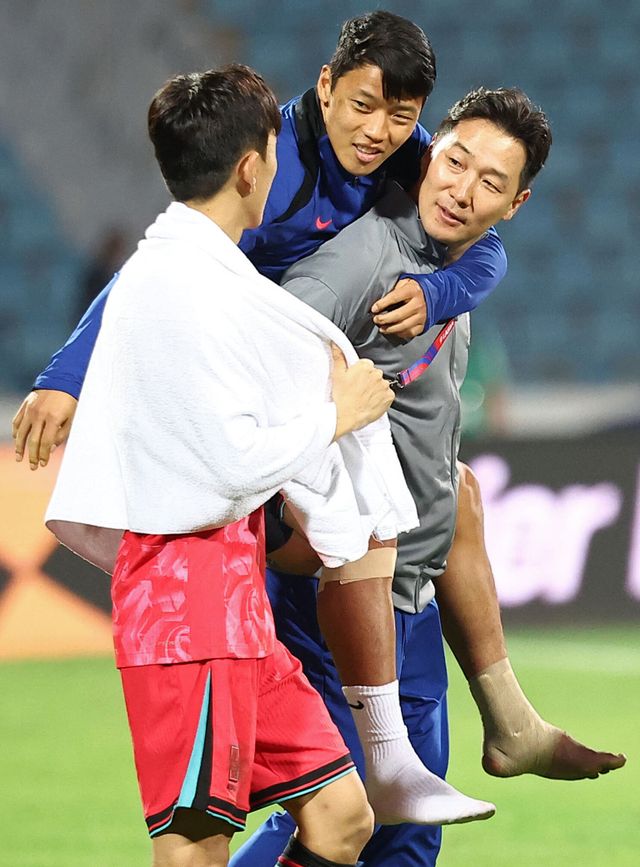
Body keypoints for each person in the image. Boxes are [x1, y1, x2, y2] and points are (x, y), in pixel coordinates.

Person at [12, 8, 619, 832]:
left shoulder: (415, 164)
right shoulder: (275, 169)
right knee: (290, 817)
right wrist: (66, 375)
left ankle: (495, 719)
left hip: (321, 469)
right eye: (363, 106)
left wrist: (439, 292)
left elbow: (487, 248)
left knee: (451, 501)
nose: (378, 133)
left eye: (401, 116)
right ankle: (415, 744)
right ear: (325, 87)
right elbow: (160, 262)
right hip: (253, 426)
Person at [230, 87, 626, 867]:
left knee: (405, 836)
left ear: (514, 204)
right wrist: (279, 517)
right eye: (454, 162)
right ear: (428, 155)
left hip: (407, 595)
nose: (462, 189)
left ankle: (510, 723)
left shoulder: (453, 264)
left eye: (490, 181)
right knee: (337, 820)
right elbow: (259, 354)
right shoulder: (363, 258)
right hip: (338, 594)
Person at [43, 63, 421, 867]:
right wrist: (339, 414)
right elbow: (227, 463)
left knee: (343, 817)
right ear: (251, 167)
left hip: (237, 611)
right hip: (189, 619)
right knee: (194, 850)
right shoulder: (179, 287)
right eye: (275, 152)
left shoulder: (191, 273)